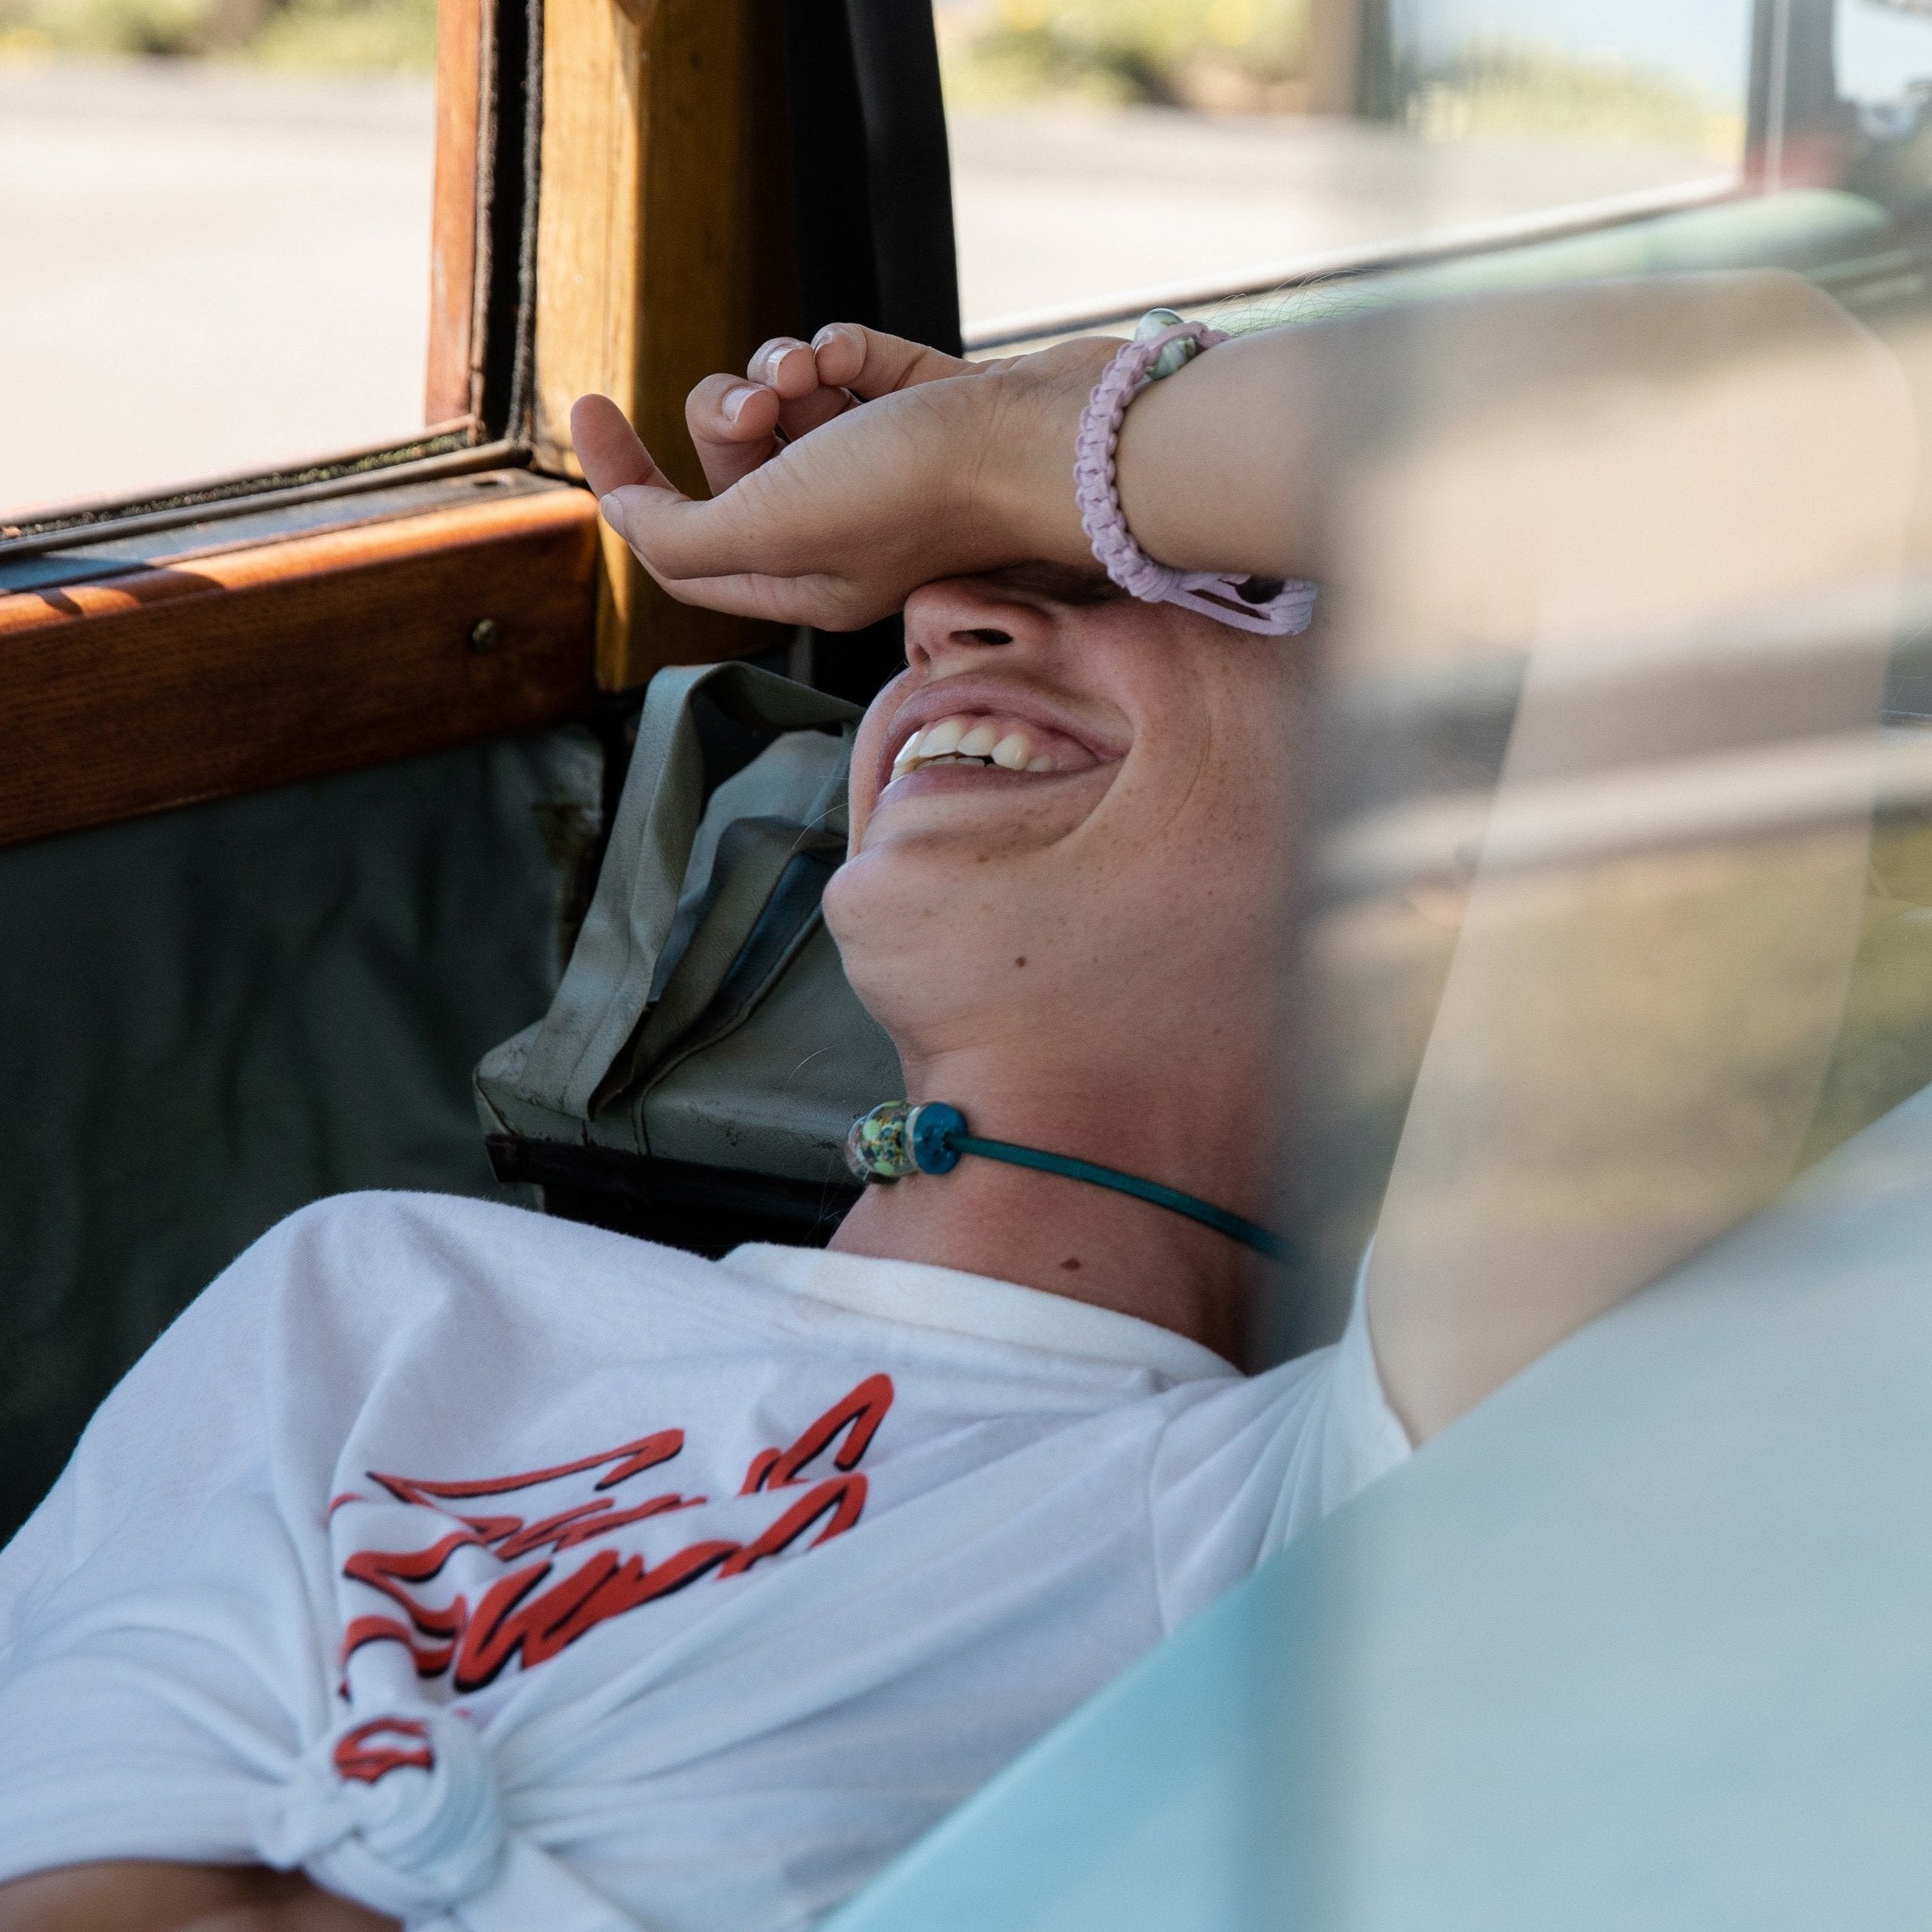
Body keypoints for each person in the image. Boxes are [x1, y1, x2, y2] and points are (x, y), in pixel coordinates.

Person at [0, 271, 1899, 1932]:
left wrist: (1006, 440)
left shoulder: (1327, 1522)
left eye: (1189, 580)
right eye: (951, 585)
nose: (940, 620)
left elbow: (1727, 439)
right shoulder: (381, 1295)